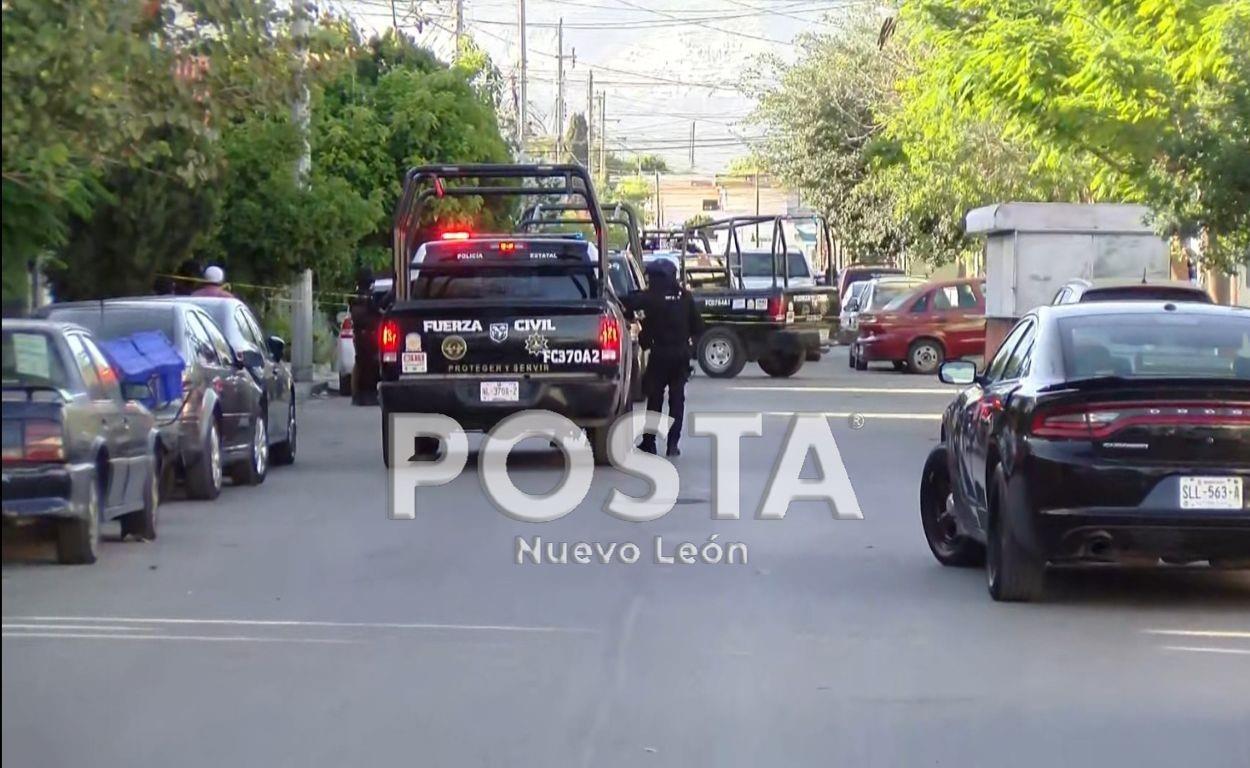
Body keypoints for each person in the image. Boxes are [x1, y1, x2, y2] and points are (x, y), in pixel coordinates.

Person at [624, 259, 704, 456]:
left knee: (655, 399)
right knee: (677, 400)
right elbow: (698, 327)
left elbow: (627, 303)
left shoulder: (652, 297)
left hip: (660, 354)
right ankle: (672, 444)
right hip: (680, 355)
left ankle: (649, 442)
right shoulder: (684, 297)